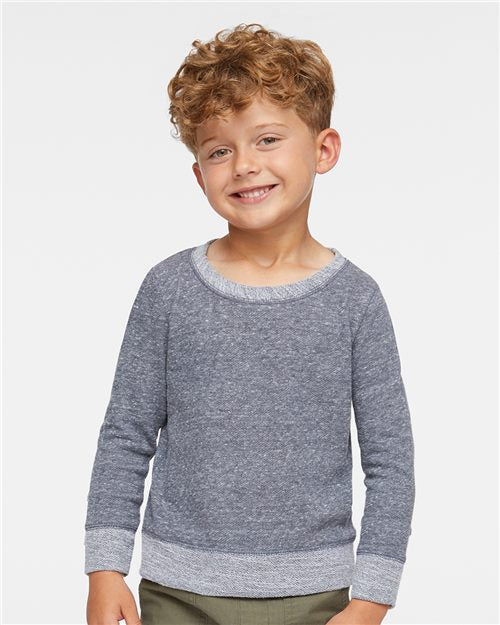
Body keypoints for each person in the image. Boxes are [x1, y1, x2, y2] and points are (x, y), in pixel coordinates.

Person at [84, 22, 416, 625]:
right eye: (219, 150)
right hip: (176, 594)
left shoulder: (357, 301)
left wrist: (373, 598)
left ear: (323, 150)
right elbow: (126, 435)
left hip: (318, 598)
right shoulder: (168, 289)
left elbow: (390, 461)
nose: (243, 165)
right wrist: (105, 569)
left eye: (267, 139)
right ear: (199, 174)